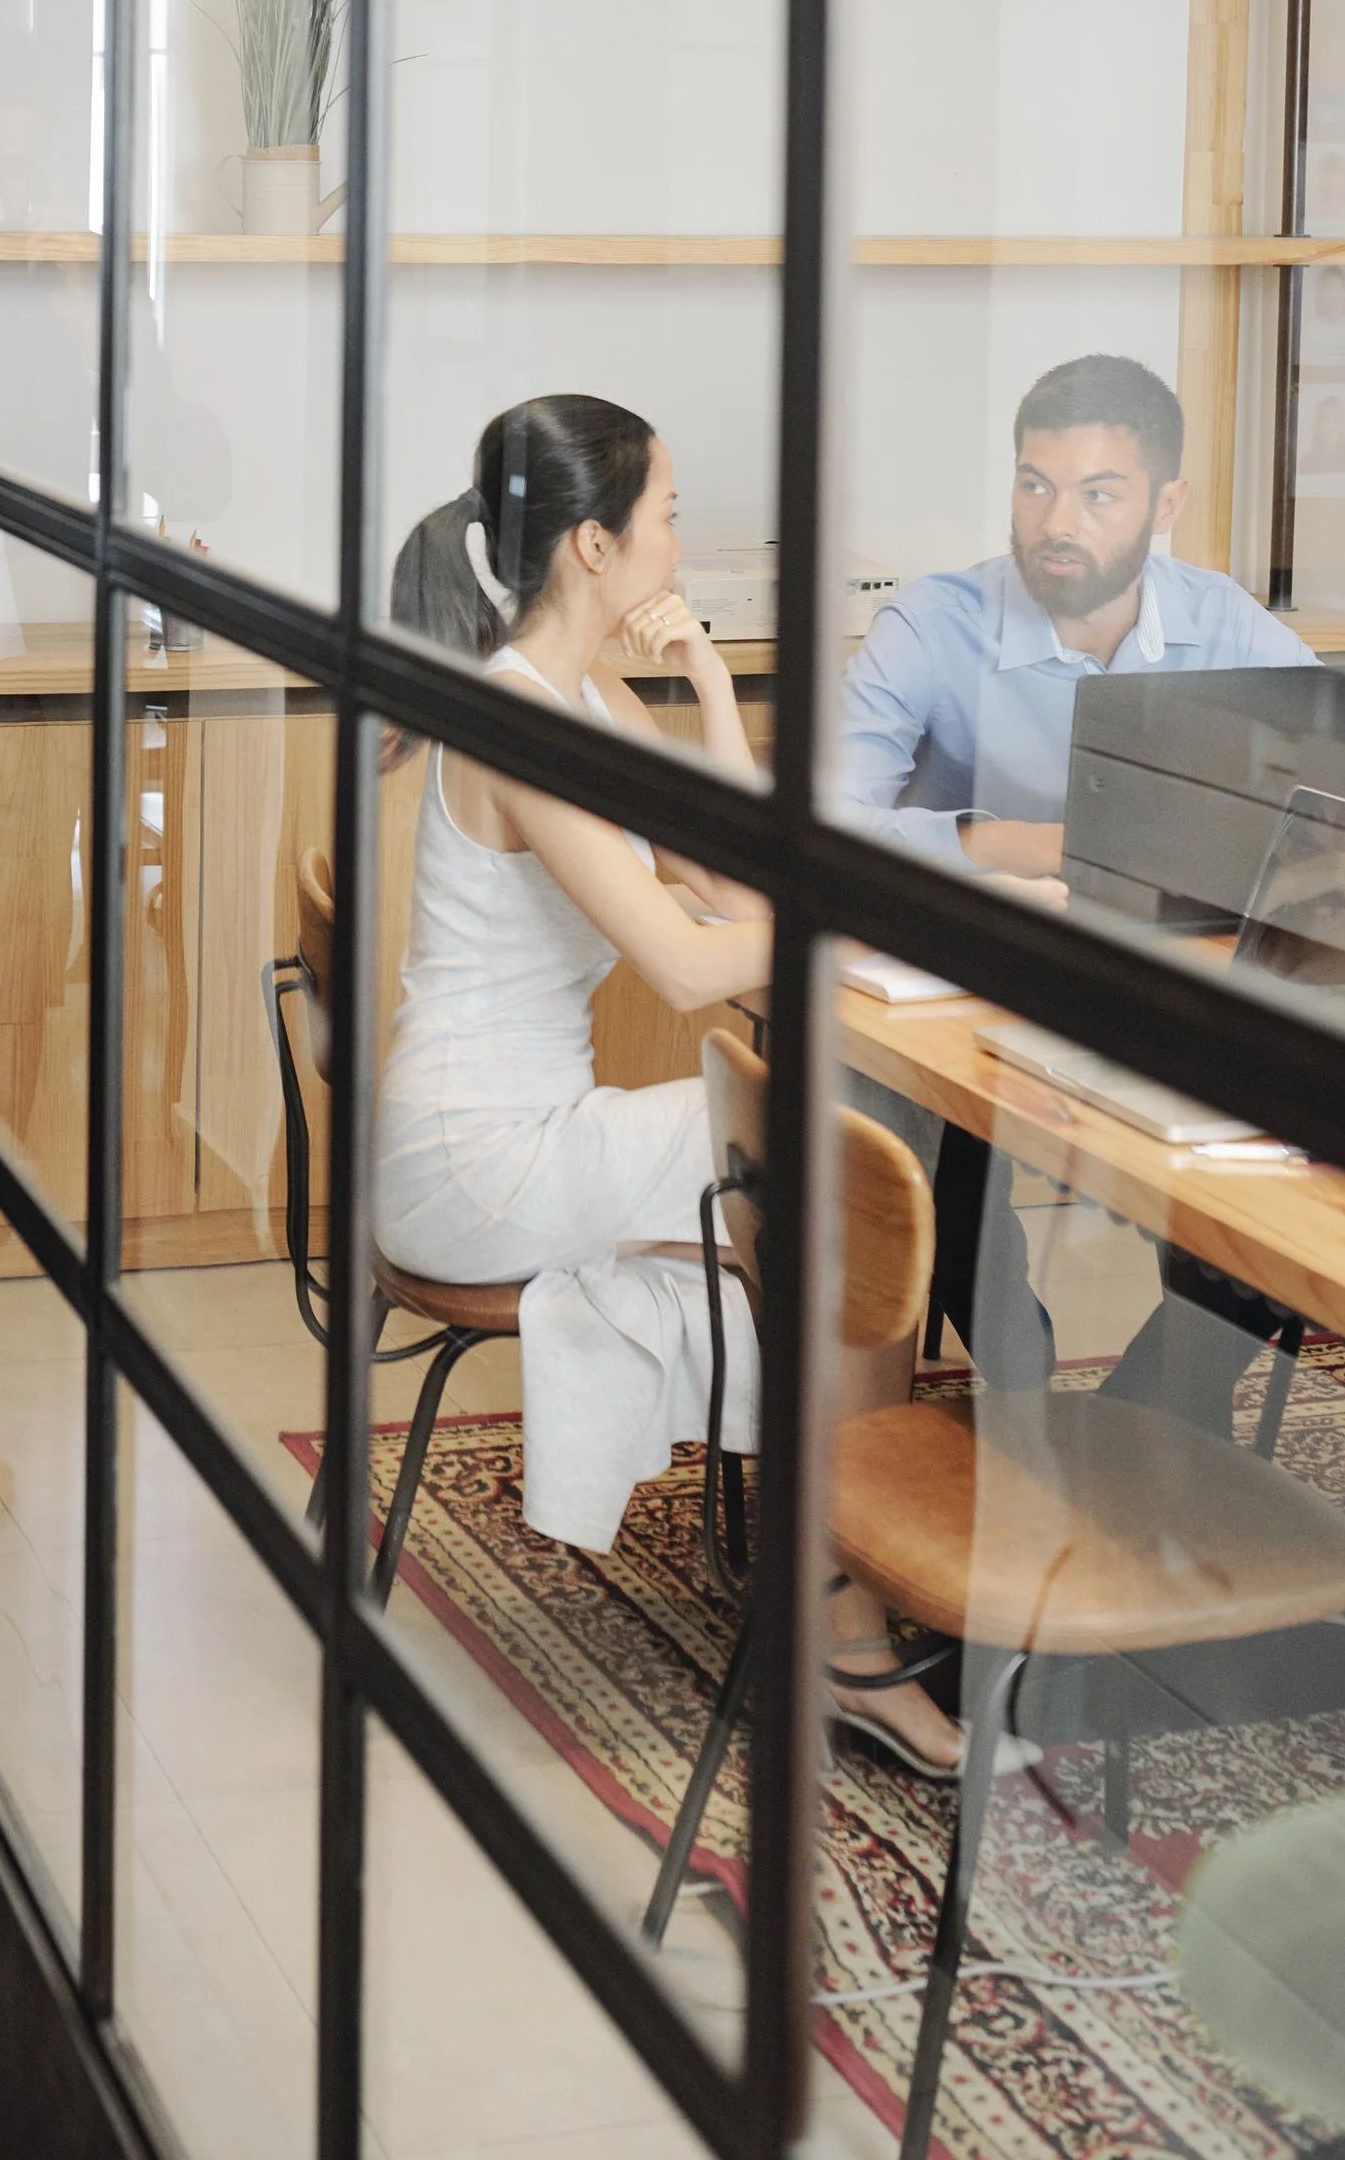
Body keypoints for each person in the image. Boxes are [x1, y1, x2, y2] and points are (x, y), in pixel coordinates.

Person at [379, 396, 990, 1776]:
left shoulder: (581, 691)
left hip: (527, 1127)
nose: (680, 538)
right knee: (839, 1184)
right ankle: (844, 1618)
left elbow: (727, 874)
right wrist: (877, 917)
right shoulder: (518, 719)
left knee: (828, 1185)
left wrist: (711, 686)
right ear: (592, 543)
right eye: (664, 515)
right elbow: (683, 958)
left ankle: (841, 1576)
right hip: (481, 1157)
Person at [835, 350, 1313, 1414]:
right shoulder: (933, 623)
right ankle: (1022, 1387)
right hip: (970, 989)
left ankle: (1157, 1411)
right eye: (1034, 483)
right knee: (917, 1111)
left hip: (1156, 981)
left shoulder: (1221, 622)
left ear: (1166, 503)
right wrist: (1023, 844)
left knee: (1283, 1148)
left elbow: (1331, 787)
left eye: (1098, 494)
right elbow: (826, 820)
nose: (1058, 520)